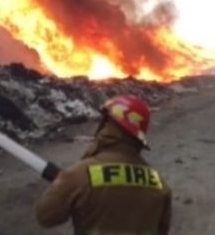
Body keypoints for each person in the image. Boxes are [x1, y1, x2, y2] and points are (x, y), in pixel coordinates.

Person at [35, 95, 172, 235]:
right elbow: (162, 230)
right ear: (138, 137)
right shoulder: (159, 183)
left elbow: (45, 217)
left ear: (107, 124)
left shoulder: (80, 174)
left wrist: (62, 185)